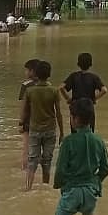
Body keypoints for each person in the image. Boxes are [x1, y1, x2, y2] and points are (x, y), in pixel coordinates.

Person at [52, 98, 108, 215]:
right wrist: (95, 182)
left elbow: (60, 171)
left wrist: (61, 186)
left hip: (72, 192)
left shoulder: (68, 142)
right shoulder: (98, 141)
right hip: (90, 193)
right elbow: (106, 169)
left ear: (74, 119)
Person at [20, 60, 64, 190]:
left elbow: (24, 111)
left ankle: (28, 187)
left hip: (34, 130)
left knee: (32, 159)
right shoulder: (54, 91)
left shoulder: (30, 91)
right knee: (47, 160)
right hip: (50, 130)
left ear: (36, 74)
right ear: (49, 74)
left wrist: (21, 124)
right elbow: (58, 113)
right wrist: (62, 132)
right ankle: (45, 187)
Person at [60, 53, 108, 130]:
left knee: (75, 132)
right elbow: (104, 90)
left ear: (78, 64)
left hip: (76, 106)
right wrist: (94, 99)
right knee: (89, 131)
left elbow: (61, 87)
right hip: (88, 107)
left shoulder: (73, 76)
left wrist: (68, 99)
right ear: (90, 64)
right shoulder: (94, 77)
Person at [17, 58, 40, 170]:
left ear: (32, 71)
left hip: (29, 120)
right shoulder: (46, 85)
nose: (25, 72)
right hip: (42, 120)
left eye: (26, 70)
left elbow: (23, 106)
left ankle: (24, 169)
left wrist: (21, 122)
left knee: (26, 147)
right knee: (38, 147)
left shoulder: (26, 85)